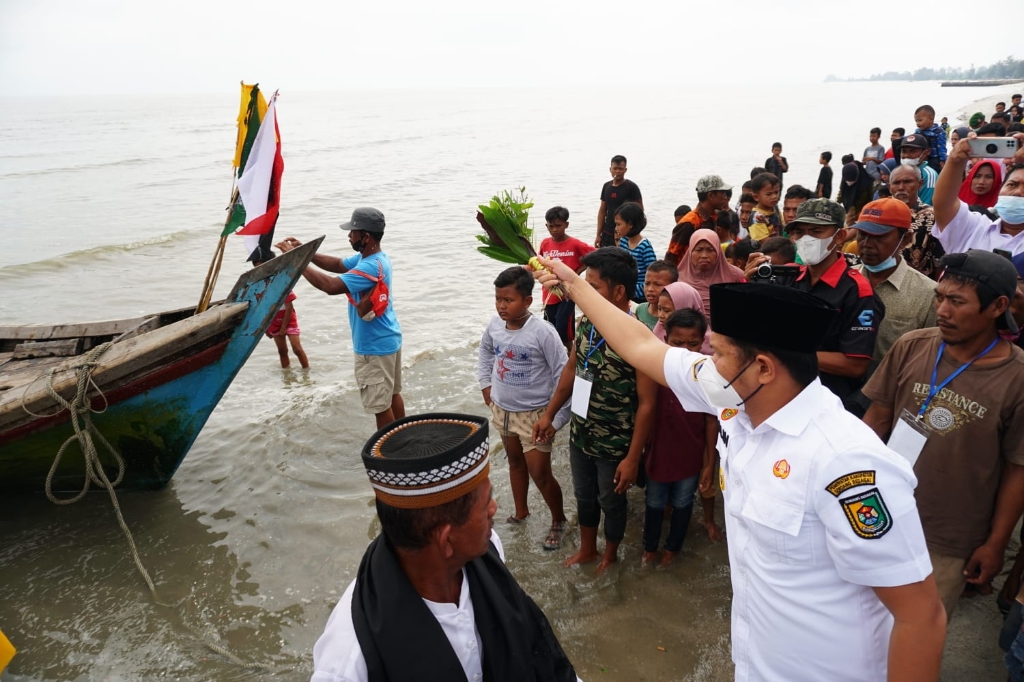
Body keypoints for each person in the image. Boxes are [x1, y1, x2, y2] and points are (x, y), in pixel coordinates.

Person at [529, 261, 946, 682]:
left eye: (721, 352)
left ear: (764, 368)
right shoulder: (734, 399)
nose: (709, 361)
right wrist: (575, 286)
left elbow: (920, 616)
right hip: (756, 665)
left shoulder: (846, 461)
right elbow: (641, 346)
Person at [310, 414, 579, 682]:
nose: (494, 509)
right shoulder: (348, 661)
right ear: (447, 541)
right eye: (485, 503)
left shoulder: (488, 551)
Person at [862, 250, 1024, 620]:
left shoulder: (1017, 378)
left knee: (918, 628)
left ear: (998, 306)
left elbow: (1018, 470)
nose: (942, 311)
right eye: (939, 297)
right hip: (881, 513)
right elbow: (875, 422)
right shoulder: (912, 345)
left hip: (950, 537)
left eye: (957, 301)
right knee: (861, 622)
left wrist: (996, 543)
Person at [533, 247, 657, 576]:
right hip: (581, 431)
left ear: (619, 292)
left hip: (616, 441)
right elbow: (571, 371)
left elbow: (647, 403)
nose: (583, 293)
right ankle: (588, 548)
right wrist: (549, 415)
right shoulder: (587, 322)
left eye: (593, 287)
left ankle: (610, 554)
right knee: (583, 495)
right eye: (582, 285)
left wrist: (633, 457)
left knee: (611, 499)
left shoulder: (638, 334)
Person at [276, 208, 404, 429]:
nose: (349, 236)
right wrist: (306, 251)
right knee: (392, 395)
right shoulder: (376, 258)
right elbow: (336, 264)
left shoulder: (370, 265)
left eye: (353, 232)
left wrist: (295, 261)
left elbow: (330, 285)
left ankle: (395, 454)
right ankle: (406, 437)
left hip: (373, 347)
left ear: (366, 236)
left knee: (380, 407)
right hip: (389, 339)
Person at [478, 266, 569, 549]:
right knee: (515, 462)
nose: (502, 306)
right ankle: (521, 511)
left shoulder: (543, 332)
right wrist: (485, 384)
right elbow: (484, 352)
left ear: (528, 301)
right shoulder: (494, 325)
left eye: (509, 300)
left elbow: (562, 373)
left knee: (540, 473)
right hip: (503, 411)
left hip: (535, 416)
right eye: (498, 299)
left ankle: (559, 520)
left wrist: (556, 419)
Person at [779, 199, 884, 414]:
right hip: (786, 394)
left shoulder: (858, 291)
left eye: (816, 231)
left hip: (830, 404)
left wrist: (790, 353)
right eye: (800, 232)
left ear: (839, 236)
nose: (806, 239)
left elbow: (856, 365)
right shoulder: (790, 279)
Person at [642, 308, 718, 567]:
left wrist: (708, 464)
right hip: (658, 451)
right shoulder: (656, 370)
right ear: (665, 340)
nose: (686, 350)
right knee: (653, 502)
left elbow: (711, 421)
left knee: (684, 501)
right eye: (677, 343)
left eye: (693, 343)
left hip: (691, 454)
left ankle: (672, 548)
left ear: (703, 342)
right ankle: (649, 548)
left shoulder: (707, 375)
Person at [652, 282, 721, 540]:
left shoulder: (710, 350)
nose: (662, 317)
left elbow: (712, 420)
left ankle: (708, 518)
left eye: (668, 311)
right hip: (672, 430)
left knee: (705, 474)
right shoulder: (658, 344)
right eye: (660, 310)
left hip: (703, 427)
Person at [850, 199, 937, 361]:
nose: (867, 244)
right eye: (862, 235)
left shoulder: (928, 294)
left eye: (878, 237)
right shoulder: (845, 281)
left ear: (905, 239)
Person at [932, 133, 1024, 255]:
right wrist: (955, 160)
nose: (1018, 192)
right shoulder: (973, 227)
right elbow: (943, 204)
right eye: (1012, 184)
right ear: (1000, 190)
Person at [538, 206, 594, 348]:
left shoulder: (574, 244)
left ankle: (570, 356)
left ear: (566, 225)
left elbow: (594, 254)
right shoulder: (545, 243)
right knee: (550, 329)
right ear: (546, 226)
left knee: (564, 330)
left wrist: (578, 271)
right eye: (551, 226)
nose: (554, 229)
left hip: (567, 295)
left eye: (558, 226)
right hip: (549, 295)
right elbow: (538, 263)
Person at [254, 252, 310, 369]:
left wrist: (284, 328)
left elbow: (289, 307)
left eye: (263, 266)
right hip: (273, 320)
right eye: (257, 268)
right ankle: (287, 377)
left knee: (297, 349)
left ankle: (306, 372)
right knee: (282, 351)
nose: (261, 270)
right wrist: (265, 328)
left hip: (288, 318)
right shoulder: (259, 286)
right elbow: (261, 308)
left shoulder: (282, 282)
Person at [678, 229, 746, 323]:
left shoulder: (736, 276)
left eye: (710, 250)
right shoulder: (677, 276)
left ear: (718, 251)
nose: (704, 255)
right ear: (690, 252)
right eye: (699, 250)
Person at [890, 164, 945, 280]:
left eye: (907, 182)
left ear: (920, 184)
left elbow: (940, 261)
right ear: (890, 187)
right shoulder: (878, 214)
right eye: (896, 183)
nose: (901, 187)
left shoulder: (933, 217)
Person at [665, 175, 733, 266]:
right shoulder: (689, 223)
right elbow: (671, 256)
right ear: (711, 195)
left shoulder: (712, 218)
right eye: (723, 193)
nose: (725, 197)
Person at [596, 155, 642, 248]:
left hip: (624, 234)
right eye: (615, 168)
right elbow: (602, 211)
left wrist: (634, 234)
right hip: (607, 233)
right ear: (610, 169)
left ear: (625, 170)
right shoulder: (606, 186)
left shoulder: (631, 187)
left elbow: (640, 211)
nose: (617, 171)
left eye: (620, 168)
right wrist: (598, 235)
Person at [614, 201, 656, 303]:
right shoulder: (623, 241)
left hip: (640, 297)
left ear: (630, 224)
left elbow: (654, 275)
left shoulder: (645, 247)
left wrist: (630, 290)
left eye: (619, 224)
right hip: (626, 292)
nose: (616, 228)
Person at [635, 259, 678, 330]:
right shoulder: (640, 309)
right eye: (647, 283)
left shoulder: (673, 315)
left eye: (657, 284)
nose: (650, 289)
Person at [899, 134, 939, 206]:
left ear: (926, 152)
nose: (907, 155)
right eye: (904, 151)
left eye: (913, 151)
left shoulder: (929, 175)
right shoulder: (899, 172)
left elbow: (926, 206)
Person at [747, 172, 783, 241]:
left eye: (776, 192)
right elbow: (763, 240)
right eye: (769, 194)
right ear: (756, 197)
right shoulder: (757, 217)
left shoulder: (775, 208)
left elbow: (782, 225)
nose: (774, 196)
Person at [914, 104, 948, 172]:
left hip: (933, 158)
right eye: (916, 121)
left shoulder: (939, 131)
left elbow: (942, 147)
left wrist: (942, 160)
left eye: (920, 120)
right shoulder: (917, 132)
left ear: (931, 119)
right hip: (921, 158)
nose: (917, 123)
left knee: (934, 172)